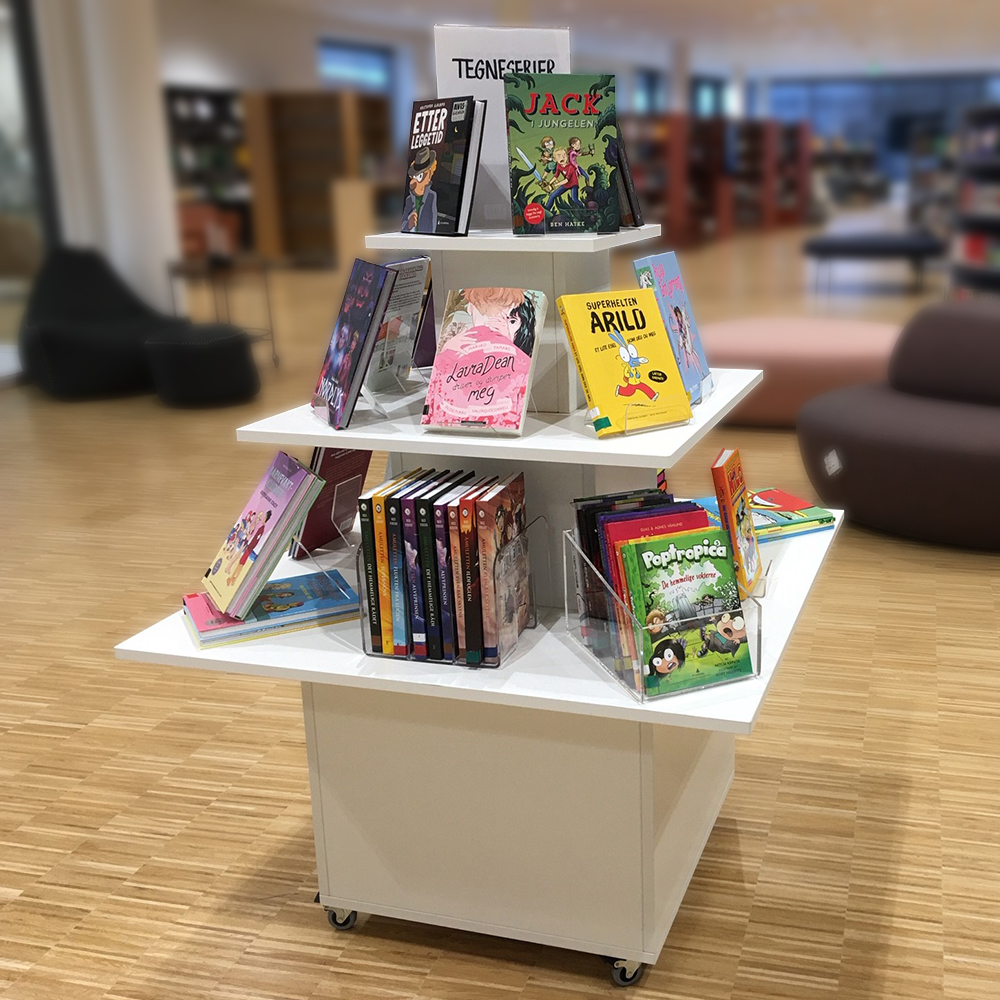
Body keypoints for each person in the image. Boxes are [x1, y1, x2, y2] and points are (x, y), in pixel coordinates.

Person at [402, 147, 438, 233]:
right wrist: (409, 224)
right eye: (414, 177)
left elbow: (432, 221)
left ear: (429, 174)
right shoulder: (409, 200)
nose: (413, 183)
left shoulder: (431, 196)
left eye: (420, 176)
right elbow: (402, 224)